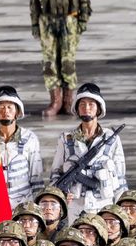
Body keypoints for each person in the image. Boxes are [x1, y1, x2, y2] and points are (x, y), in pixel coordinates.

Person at [29, 0, 91, 117]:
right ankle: (55, 101)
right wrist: (34, 22)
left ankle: (68, 101)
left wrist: (82, 19)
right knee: (49, 62)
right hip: (47, 20)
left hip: (69, 19)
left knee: (67, 61)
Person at [49, 84, 127, 222]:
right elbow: (56, 172)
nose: (86, 108)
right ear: (77, 109)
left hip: (104, 204)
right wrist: (61, 195)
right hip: (76, 205)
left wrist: (121, 208)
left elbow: (120, 177)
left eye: (91, 104)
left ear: (98, 108)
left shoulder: (111, 138)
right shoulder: (66, 139)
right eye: (82, 104)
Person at [0, 86, 44, 209]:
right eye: (1, 107)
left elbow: (37, 177)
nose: (6, 111)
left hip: (23, 203)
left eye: (10, 107)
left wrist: (36, 208)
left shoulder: (30, 139)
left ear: (17, 111)